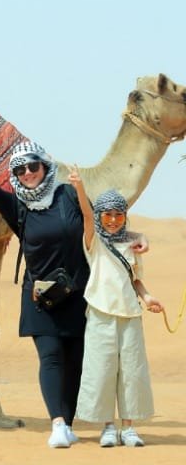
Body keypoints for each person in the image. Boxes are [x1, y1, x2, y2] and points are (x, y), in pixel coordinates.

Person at [0, 132, 149, 448]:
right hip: (41, 297)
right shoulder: (18, 207)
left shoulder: (69, 195)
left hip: (80, 295)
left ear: (44, 166)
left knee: (76, 360)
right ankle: (57, 424)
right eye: (20, 170)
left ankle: (68, 424)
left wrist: (138, 237)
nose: (28, 174)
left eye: (33, 167)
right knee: (51, 357)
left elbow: (103, 227)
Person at [68, 166, 163, 448]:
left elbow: (136, 280)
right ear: (100, 216)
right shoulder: (93, 242)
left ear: (124, 216)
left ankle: (129, 427)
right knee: (103, 369)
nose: (111, 220)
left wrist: (147, 298)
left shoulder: (131, 245)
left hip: (130, 315)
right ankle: (108, 426)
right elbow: (86, 214)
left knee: (132, 371)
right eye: (106, 214)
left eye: (117, 214)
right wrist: (79, 187)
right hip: (100, 313)